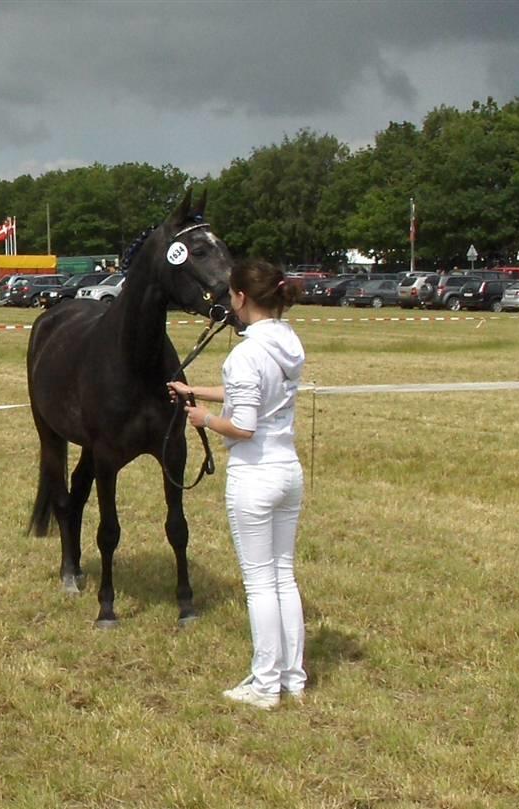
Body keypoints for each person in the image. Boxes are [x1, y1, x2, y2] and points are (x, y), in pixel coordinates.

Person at [168, 259, 307, 710]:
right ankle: (292, 676)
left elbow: (243, 424)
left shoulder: (246, 353)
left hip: (255, 475)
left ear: (242, 298)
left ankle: (265, 684)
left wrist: (203, 418)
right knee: (283, 577)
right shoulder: (287, 343)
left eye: (231, 294)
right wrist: (198, 392)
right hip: (287, 469)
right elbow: (254, 394)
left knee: (260, 584)